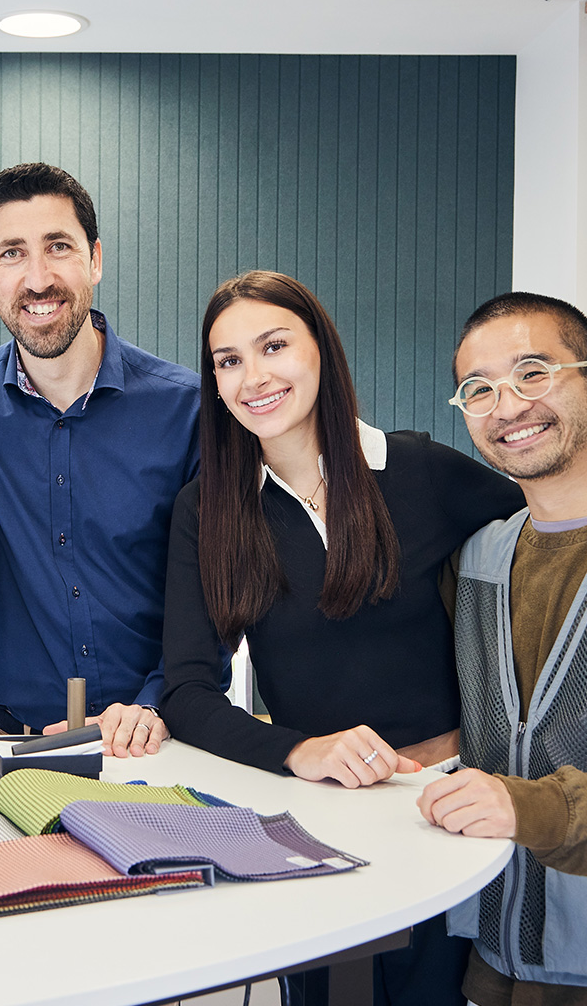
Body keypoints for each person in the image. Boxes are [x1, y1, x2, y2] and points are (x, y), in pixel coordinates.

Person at [159, 271, 526, 1006]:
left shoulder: (420, 471)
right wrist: (299, 749)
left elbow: (550, 528)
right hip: (318, 817)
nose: (252, 376)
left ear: (320, 350)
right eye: (228, 361)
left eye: (273, 346)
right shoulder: (210, 509)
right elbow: (188, 692)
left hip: (446, 810)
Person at [0, 162, 204, 778]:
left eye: (58, 247)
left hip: (152, 742)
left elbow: (210, 582)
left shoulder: (185, 407)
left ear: (95, 259)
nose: (38, 278)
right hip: (9, 750)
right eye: (12, 254)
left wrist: (156, 697)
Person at [418, 292, 587, 1006]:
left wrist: (528, 809)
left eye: (533, 373)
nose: (507, 406)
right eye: (478, 390)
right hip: (497, 955)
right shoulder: (478, 558)